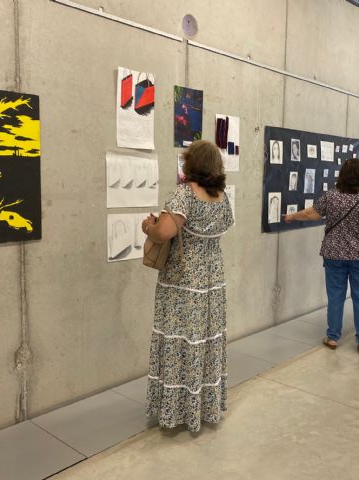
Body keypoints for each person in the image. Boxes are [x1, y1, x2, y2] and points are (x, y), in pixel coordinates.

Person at [142, 140, 234, 431]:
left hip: (183, 281)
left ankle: (176, 411)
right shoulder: (222, 197)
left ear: (191, 163)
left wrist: (148, 227)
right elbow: (225, 225)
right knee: (204, 340)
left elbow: (164, 232)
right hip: (212, 280)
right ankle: (202, 407)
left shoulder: (185, 194)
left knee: (179, 340)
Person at [284, 159, 359, 355]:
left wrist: (292, 216)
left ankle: (333, 337)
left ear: (343, 175)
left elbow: (311, 214)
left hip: (334, 254)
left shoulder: (332, 196)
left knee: (335, 296)